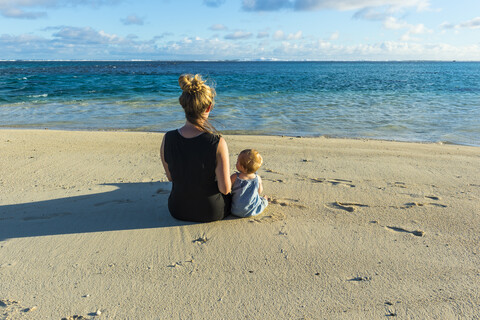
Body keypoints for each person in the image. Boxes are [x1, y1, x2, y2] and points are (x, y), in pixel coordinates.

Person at [160, 74, 231, 222]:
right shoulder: (217, 142)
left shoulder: (168, 138)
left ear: (184, 106)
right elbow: (225, 189)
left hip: (177, 209)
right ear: (209, 107)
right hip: (211, 211)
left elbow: (171, 177)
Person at [230, 149, 268, 217]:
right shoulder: (257, 178)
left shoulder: (235, 177)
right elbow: (259, 191)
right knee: (262, 201)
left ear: (242, 167)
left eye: (237, 161)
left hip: (235, 210)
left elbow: (227, 188)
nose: (236, 163)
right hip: (253, 210)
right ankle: (265, 200)